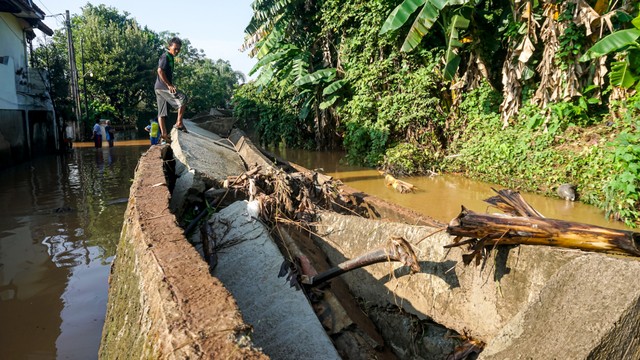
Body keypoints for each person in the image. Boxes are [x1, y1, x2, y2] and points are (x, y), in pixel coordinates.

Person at [155, 36, 188, 144]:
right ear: (169, 47)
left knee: (162, 113)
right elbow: (160, 71)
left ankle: (164, 135)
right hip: (162, 87)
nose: (177, 51)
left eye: (179, 49)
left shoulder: (171, 57)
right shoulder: (166, 56)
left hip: (158, 88)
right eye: (175, 49)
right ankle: (179, 123)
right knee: (183, 99)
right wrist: (169, 85)